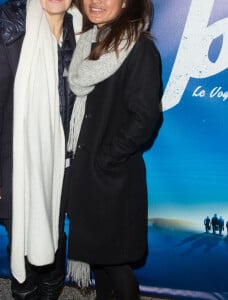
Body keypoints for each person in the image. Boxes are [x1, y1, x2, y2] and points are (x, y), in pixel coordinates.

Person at [0, 0, 81, 299]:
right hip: (17, 164)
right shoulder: (12, 30)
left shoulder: (84, 33)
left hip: (65, 165)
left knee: (56, 235)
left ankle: (50, 291)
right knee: (20, 238)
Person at [65, 0, 162, 298]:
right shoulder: (90, 43)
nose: (96, 2)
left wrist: (105, 159)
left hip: (113, 178)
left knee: (116, 266)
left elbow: (145, 118)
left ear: (125, 2)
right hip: (88, 174)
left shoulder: (139, 48)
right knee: (103, 262)